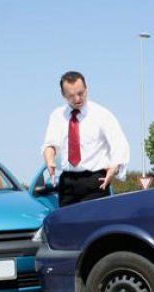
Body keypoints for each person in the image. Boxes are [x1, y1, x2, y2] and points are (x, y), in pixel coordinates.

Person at [42, 71, 130, 207]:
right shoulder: (57, 116)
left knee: (95, 220)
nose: (77, 99)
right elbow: (50, 144)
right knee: (68, 221)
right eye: (71, 96)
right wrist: (49, 159)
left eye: (81, 93)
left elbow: (119, 143)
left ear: (86, 88)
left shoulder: (102, 115)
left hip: (96, 182)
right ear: (63, 94)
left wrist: (114, 167)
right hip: (67, 184)